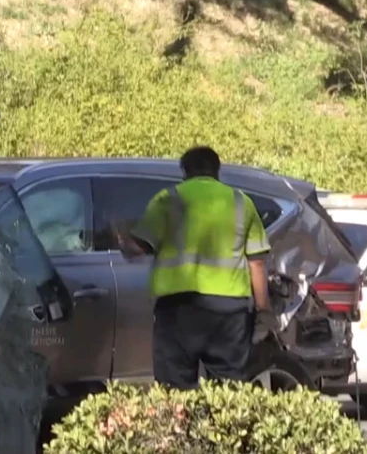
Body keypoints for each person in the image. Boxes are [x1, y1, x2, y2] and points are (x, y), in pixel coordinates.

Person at [114, 146, 272, 390]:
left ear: (185, 171)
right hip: (229, 312)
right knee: (229, 388)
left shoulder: (169, 199)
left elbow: (138, 248)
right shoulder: (242, 203)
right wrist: (263, 310)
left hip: (178, 310)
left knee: (174, 387)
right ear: (217, 170)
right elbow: (257, 262)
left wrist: (120, 236)